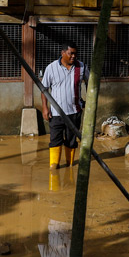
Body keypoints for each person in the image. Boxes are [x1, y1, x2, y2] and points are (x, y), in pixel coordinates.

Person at [41, 42, 88, 171]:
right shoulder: (51, 68)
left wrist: (87, 102)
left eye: (75, 54)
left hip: (74, 112)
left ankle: (70, 166)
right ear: (62, 53)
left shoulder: (81, 67)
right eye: (70, 53)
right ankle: (54, 167)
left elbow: (91, 84)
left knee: (71, 141)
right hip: (56, 113)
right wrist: (45, 108)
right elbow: (44, 89)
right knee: (55, 140)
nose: (73, 56)